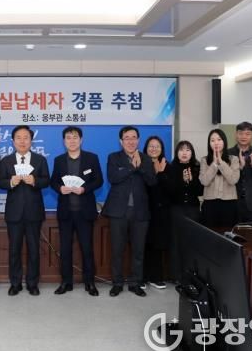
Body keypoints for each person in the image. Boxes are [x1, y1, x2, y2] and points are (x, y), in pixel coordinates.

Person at [102, 126, 156, 297]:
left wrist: (141, 167)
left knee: (138, 251)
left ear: (138, 140)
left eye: (134, 137)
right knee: (117, 250)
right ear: (121, 141)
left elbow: (152, 181)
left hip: (140, 212)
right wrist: (132, 167)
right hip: (119, 212)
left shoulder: (146, 159)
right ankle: (117, 283)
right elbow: (113, 178)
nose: (131, 141)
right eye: (127, 138)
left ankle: (135, 283)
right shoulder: (114, 157)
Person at [50, 126, 103, 296]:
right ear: (64, 141)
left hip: (85, 212)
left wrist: (84, 189)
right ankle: (66, 282)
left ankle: (90, 283)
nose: (71, 141)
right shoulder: (59, 160)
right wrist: (60, 188)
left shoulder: (91, 158)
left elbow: (99, 180)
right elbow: (53, 181)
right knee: (65, 249)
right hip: (66, 213)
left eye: (75, 137)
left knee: (87, 249)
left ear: (81, 140)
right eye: (68, 138)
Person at [0, 125, 50, 296]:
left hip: (34, 212)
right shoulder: (6, 161)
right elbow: (0, 181)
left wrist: (34, 181)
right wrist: (11, 182)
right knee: (14, 250)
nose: (22, 141)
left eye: (26, 137)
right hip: (14, 213)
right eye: (18, 138)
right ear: (13, 141)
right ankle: (15, 283)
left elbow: (46, 180)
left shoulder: (40, 160)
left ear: (31, 140)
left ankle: (32, 283)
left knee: (34, 249)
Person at [167, 140, 203, 283]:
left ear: (192, 153)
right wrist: (181, 181)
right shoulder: (171, 168)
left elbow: (200, 191)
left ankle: (191, 276)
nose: (184, 153)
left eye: (188, 150)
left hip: (193, 209)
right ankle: (177, 276)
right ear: (177, 153)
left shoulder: (197, 167)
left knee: (192, 242)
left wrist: (191, 181)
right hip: (177, 209)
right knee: (176, 242)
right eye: (181, 150)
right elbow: (169, 192)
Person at [142, 136, 170, 290]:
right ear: (146, 149)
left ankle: (156, 277)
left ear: (161, 149)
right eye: (151, 146)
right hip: (143, 210)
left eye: (157, 146)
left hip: (160, 212)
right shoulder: (140, 165)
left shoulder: (167, 165)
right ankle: (142, 277)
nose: (154, 149)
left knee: (157, 244)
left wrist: (160, 173)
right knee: (142, 244)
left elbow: (169, 190)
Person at [227, 122, 252, 225]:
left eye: (247, 134)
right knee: (231, 233)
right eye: (240, 133)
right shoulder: (227, 154)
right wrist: (238, 167)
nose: (243, 136)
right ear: (236, 135)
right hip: (232, 202)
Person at [199, 129, 240, 228]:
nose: (216, 143)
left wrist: (221, 162)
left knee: (227, 234)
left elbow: (233, 180)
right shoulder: (204, 160)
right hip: (210, 204)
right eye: (212, 140)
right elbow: (204, 181)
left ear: (224, 141)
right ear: (209, 143)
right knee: (209, 233)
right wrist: (214, 164)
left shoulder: (233, 159)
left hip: (229, 203)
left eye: (219, 139)